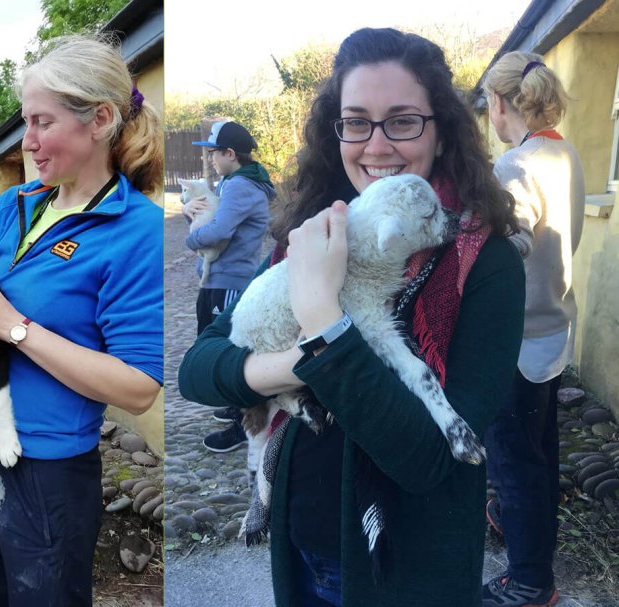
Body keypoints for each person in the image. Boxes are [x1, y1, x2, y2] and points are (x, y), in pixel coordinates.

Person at [179, 28, 524, 606]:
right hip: (302, 544)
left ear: (441, 130)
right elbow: (200, 369)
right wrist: (297, 363)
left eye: (404, 121)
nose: (377, 145)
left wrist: (321, 318)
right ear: (335, 131)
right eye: (357, 121)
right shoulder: (311, 236)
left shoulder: (485, 265)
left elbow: (431, 459)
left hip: (402, 569)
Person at [0, 35, 163, 604]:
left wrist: (12, 328)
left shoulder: (139, 231)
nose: (27, 141)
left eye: (41, 122)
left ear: (100, 119)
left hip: (47, 464)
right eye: (26, 121)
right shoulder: (17, 203)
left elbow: (137, 386)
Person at [479, 51, 584, 607]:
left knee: (516, 462)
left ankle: (529, 582)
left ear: (500, 105)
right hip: (554, 327)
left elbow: (509, 243)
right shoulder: (564, 154)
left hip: (515, 339)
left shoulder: (515, 167)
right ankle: (523, 531)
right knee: (540, 450)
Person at [184, 120, 274, 455]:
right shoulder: (235, 182)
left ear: (230, 153)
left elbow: (220, 230)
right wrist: (188, 212)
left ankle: (244, 424)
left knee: (229, 349)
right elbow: (210, 219)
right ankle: (234, 404)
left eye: (213, 153)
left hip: (229, 281)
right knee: (218, 342)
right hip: (222, 279)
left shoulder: (239, 187)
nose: (209, 159)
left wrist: (190, 239)